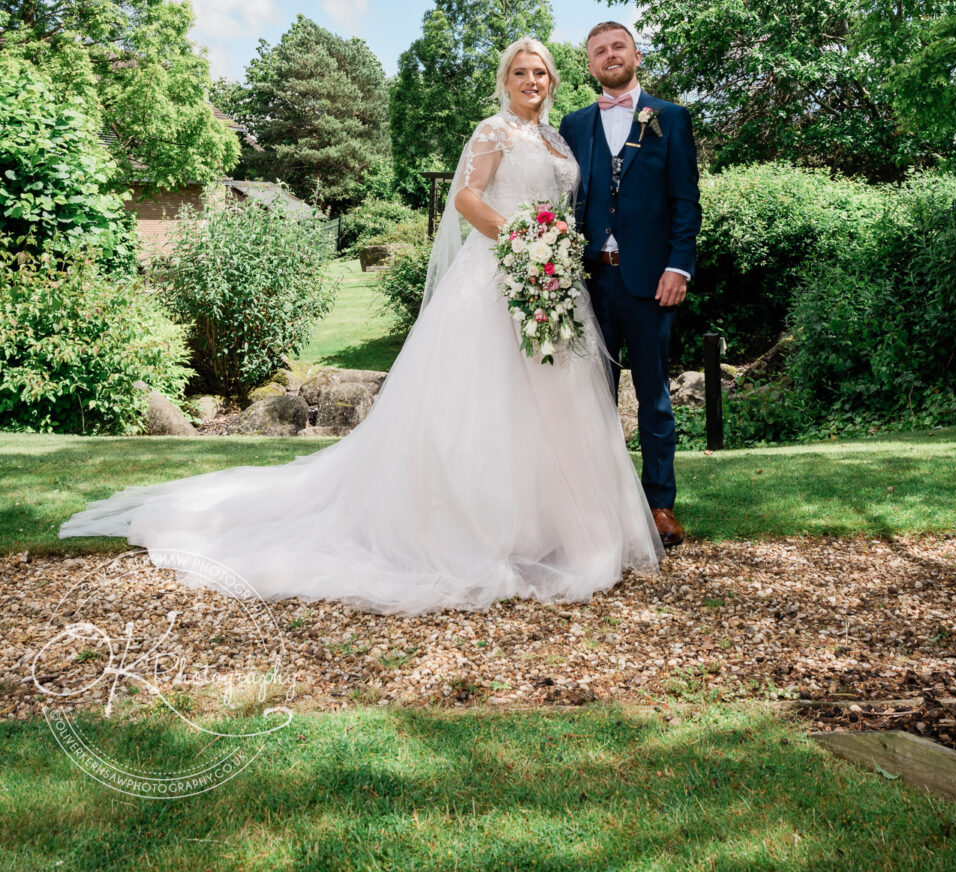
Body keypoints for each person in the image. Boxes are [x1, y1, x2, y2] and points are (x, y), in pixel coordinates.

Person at [60, 38, 663, 612]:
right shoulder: (493, 130)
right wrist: (523, 239)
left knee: (555, 402)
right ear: (504, 82)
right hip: (499, 274)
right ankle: (486, 528)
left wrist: (550, 252)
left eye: (540, 73)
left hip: (552, 281)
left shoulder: (557, 137)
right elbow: (468, 199)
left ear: (552, 80)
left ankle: (556, 525)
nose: (532, 81)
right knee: (490, 402)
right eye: (520, 73)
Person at [559, 22, 701, 548]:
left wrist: (678, 266)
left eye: (618, 46)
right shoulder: (573, 126)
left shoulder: (671, 118)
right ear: (590, 65)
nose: (609, 55)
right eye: (599, 50)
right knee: (591, 399)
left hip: (650, 283)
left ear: (636, 54)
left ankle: (660, 506)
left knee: (654, 399)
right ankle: (599, 509)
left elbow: (686, 202)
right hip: (590, 283)